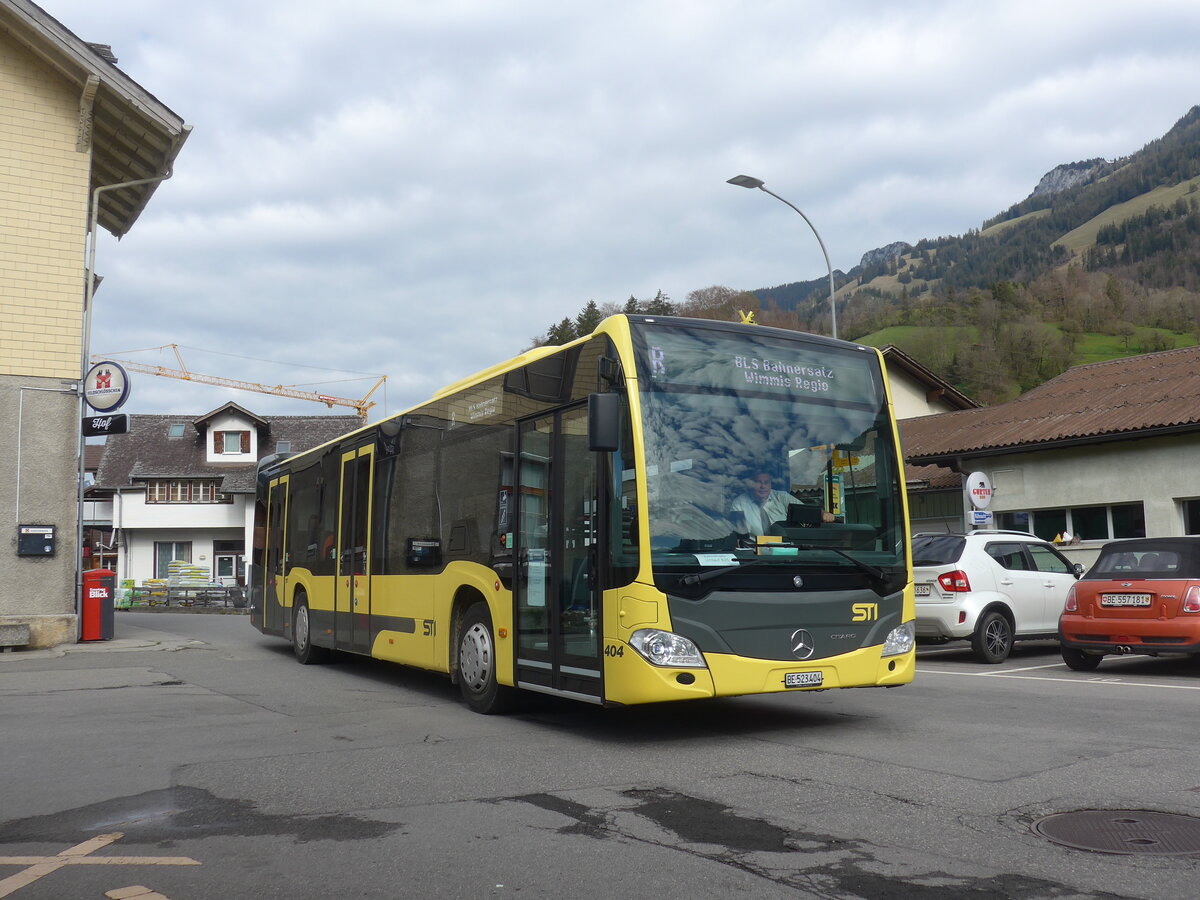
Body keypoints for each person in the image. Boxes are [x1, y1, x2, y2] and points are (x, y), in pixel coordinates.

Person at [730, 470, 833, 537]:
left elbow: (806, 512)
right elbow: (738, 536)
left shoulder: (782, 497)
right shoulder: (739, 503)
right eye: (758, 482)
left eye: (766, 482)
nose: (763, 486)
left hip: (785, 553)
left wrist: (823, 514)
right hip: (753, 555)